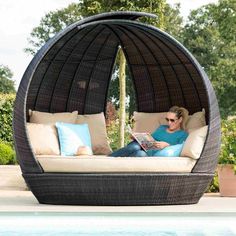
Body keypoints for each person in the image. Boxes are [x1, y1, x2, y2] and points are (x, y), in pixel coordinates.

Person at [109, 106, 189, 157]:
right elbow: (151, 138)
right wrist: (140, 137)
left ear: (180, 120)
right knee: (135, 146)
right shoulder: (162, 128)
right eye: (167, 119)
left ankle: (113, 160)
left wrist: (167, 145)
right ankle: (109, 159)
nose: (169, 123)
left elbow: (179, 150)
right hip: (142, 146)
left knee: (140, 154)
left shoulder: (183, 134)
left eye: (172, 120)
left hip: (148, 154)